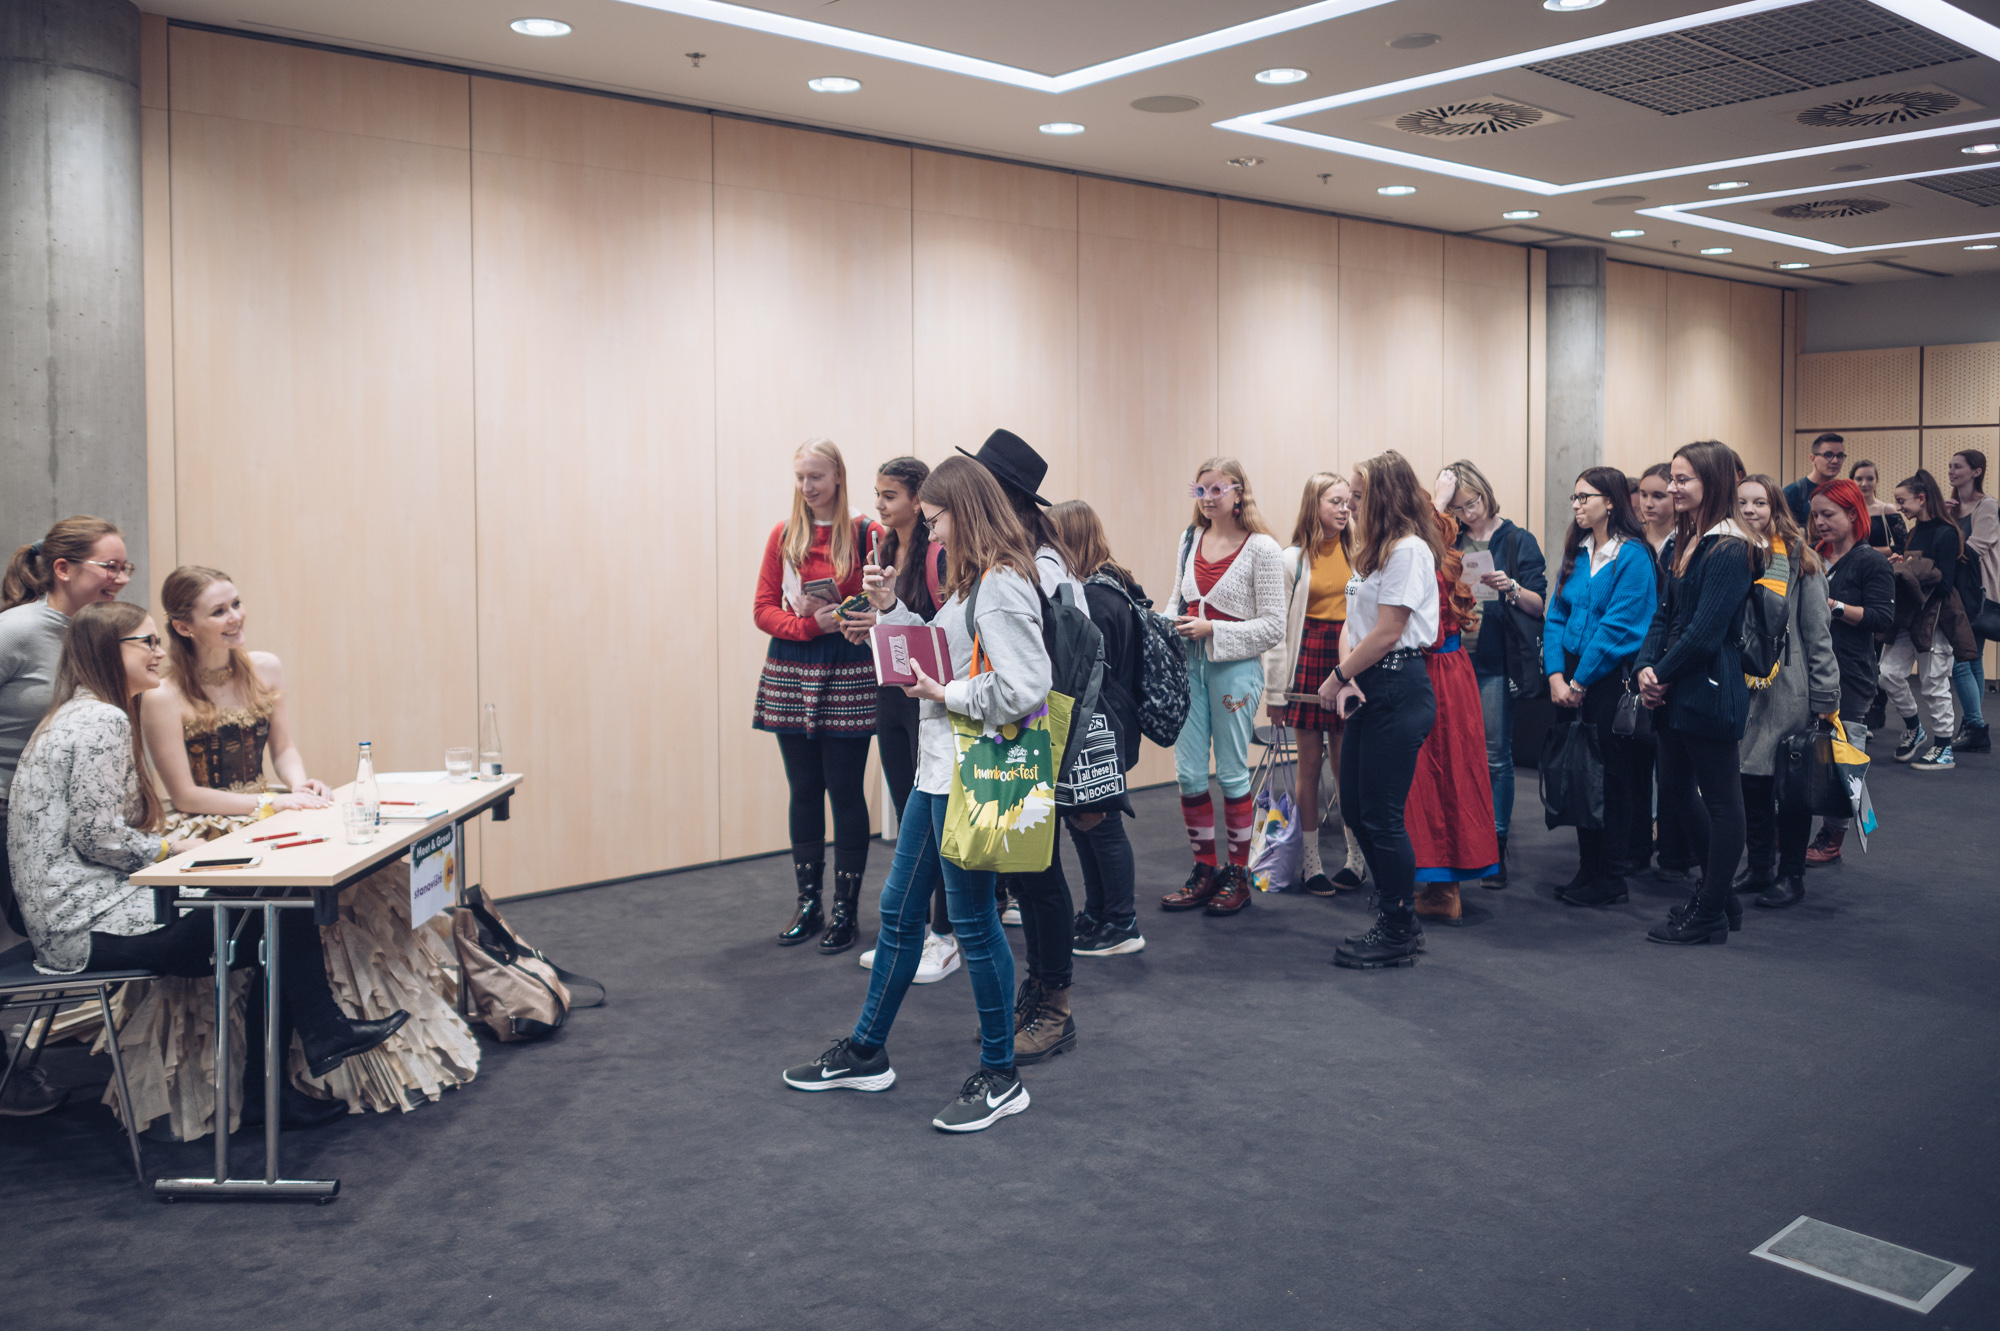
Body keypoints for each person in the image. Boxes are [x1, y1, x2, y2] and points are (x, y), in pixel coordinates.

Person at [7, 603, 407, 1137]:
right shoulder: (102, 719)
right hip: (87, 929)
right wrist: (169, 850)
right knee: (281, 910)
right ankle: (301, 1057)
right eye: (146, 643)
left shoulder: (76, 713)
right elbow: (96, 836)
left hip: (77, 917)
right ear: (108, 651)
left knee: (276, 905)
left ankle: (303, 1055)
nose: (158, 653)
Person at [128, 565, 477, 1131]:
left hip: (269, 806)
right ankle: (308, 1043)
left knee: (334, 892)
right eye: (219, 611)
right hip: (211, 821)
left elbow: (284, 749)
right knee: (284, 908)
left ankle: (314, 1049)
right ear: (184, 626)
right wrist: (271, 804)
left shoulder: (264, 667)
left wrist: (299, 784)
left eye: (236, 603)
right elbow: (185, 794)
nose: (235, 617)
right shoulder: (162, 695)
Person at [782, 456, 1050, 1133]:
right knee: (901, 912)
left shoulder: (1001, 586)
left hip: (966, 772)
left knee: (972, 922)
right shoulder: (974, 583)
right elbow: (942, 647)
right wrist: (889, 611)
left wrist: (945, 692)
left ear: (964, 512)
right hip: (941, 772)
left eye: (934, 520)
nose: (929, 533)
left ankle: (1001, 1076)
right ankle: (867, 1050)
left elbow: (1025, 687)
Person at [958, 429, 1087, 1063]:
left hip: (1036, 728)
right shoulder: (1019, 556)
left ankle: (1055, 1007)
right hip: (1026, 728)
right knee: (1028, 871)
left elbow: (1048, 666)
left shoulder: (1036, 563)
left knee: (1039, 873)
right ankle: (1039, 993)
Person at [0, 516, 134, 1117]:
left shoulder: (93, 633)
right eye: (110, 567)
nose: (121, 579)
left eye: (126, 568)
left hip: (47, 817)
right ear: (63, 568)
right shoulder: (19, 630)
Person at [752, 438, 883, 953]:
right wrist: (809, 625)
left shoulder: (868, 532)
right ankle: (809, 904)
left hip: (849, 668)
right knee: (804, 788)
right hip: (792, 665)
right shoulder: (784, 534)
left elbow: (883, 606)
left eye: (816, 477)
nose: (807, 487)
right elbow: (763, 609)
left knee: (845, 790)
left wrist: (845, 615)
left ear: (838, 477)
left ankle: (845, 910)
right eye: (800, 477)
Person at [1636, 440, 1758, 946]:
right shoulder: (1687, 540)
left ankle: (1709, 911)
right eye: (1673, 478)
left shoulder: (1731, 547)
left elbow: (1705, 633)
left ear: (1713, 481)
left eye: (1683, 479)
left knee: (1723, 801)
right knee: (1676, 793)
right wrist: (1645, 668)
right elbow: (1663, 615)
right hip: (1675, 685)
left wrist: (1659, 675)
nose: (1672, 487)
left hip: (1708, 685)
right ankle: (1722, 900)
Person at [1323, 451, 1442, 969]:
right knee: (1355, 810)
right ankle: (1399, 918)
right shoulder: (1374, 550)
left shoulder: (1409, 550)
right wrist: (1349, 676)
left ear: (1385, 497)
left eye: (1358, 494)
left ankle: (1397, 925)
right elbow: (1356, 622)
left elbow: (1390, 630)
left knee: (1381, 816)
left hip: (1397, 686)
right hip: (1371, 683)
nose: (1349, 503)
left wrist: (1338, 676)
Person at [1159, 458, 1287, 917]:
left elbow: (1273, 626)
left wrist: (1213, 630)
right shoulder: (1189, 539)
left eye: (1217, 490)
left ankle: (1238, 874)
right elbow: (1177, 597)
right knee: (1190, 774)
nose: (1208, 499)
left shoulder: (1263, 548)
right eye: (1200, 490)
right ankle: (1204, 869)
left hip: (1234, 669)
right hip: (1189, 665)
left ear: (1238, 492)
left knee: (1232, 773)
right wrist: (1164, 624)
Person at [851, 457, 961, 984]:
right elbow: (900, 624)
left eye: (889, 494)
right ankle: (914, 932)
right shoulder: (881, 547)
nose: (879, 504)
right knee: (909, 814)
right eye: (877, 493)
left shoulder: (938, 555)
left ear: (919, 501)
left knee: (940, 823)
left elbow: (943, 634)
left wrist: (890, 618)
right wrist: (872, 619)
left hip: (932, 697)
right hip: (893, 692)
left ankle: (945, 932)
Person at [1543, 468, 1658, 908]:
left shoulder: (1633, 556)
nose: (1576, 505)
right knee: (1578, 773)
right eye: (1574, 498)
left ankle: (1611, 876)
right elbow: (1556, 617)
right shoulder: (1579, 549)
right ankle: (1587, 868)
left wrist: (1579, 680)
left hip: (1608, 678)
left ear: (1610, 501)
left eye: (1584, 497)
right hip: (1570, 675)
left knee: (1609, 778)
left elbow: (1620, 628)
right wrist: (1556, 676)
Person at [1435, 460, 1546, 889]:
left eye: (1473, 502)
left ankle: (1496, 846)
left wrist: (1511, 587)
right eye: (1459, 508)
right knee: (1453, 752)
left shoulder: (1516, 539)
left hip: (1496, 659)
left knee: (1496, 755)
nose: (1468, 513)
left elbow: (1540, 605)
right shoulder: (1448, 539)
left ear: (1486, 493)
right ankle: (1462, 841)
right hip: (1452, 655)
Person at [1732, 477, 1839, 911]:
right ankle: (1759, 866)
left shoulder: (1799, 558)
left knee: (1791, 788)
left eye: (1759, 502)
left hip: (1787, 687)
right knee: (1750, 783)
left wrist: (1826, 699)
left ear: (1775, 506)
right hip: (1743, 685)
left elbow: (1818, 634)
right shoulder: (1731, 552)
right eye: (1742, 502)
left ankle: (1791, 875)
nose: (1750, 510)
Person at [1047, 501, 1147, 959]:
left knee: (1101, 824)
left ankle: (1121, 921)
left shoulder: (1098, 598)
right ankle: (1097, 912)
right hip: (1104, 719)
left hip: (1099, 722)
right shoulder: (1108, 587)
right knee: (1083, 819)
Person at [1265, 473, 1367, 896]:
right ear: (1314, 504)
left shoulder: (1359, 552)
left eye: (1348, 502)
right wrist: (1274, 692)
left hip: (1350, 660)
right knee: (1308, 765)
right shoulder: (1291, 558)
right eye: (1335, 502)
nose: (1344, 509)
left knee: (1347, 766)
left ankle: (1356, 858)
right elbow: (1277, 631)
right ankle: (1311, 862)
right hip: (1307, 657)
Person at [1406, 510, 1498, 923]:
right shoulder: (1445, 559)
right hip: (1455, 670)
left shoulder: (1422, 563)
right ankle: (1443, 886)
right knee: (1455, 773)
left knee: (1432, 776)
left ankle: (1442, 889)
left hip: (1433, 672)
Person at [1802, 480, 1895, 869]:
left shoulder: (1870, 562)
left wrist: (1832, 606)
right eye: (1816, 515)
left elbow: (1882, 618)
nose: (1820, 522)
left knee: (1841, 755)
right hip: (1808, 669)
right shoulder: (1811, 555)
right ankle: (1788, 826)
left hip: (1851, 674)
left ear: (1854, 514)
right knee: (1803, 752)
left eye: (1829, 514)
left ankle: (1833, 836)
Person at [1881, 470, 1972, 772]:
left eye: (1902, 501)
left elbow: (1945, 584)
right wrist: (1903, 566)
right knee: (1887, 674)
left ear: (1921, 498)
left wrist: (1909, 570)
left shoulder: (1947, 533)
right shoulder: (1914, 532)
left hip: (1936, 619)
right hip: (1910, 615)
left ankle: (1944, 747)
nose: (1899, 507)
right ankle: (1914, 727)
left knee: (1934, 682)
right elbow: (1918, 571)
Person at [1944, 449, 1996, 755]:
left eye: (1958, 466)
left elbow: (1975, 548)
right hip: (1959, 591)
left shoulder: (1987, 505)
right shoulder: (1953, 508)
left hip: (1976, 592)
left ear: (1976, 471)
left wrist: (1946, 529)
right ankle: (1974, 725)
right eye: (1950, 466)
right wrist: (1946, 519)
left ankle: (1975, 726)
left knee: (1961, 661)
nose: (1951, 471)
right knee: (1972, 659)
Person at [1785, 433, 1847, 526]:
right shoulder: (1793, 492)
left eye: (1840, 456)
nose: (1835, 461)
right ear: (1812, 459)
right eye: (1828, 455)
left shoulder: (1844, 491)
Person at [1849, 459, 1908, 556]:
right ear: (1852, 481)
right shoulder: (1845, 511)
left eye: (1870, 479)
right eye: (1859, 479)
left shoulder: (1887, 510)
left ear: (1877, 480)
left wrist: (1867, 551)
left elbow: (1904, 547)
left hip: (1879, 564)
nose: (1864, 484)